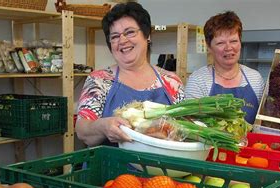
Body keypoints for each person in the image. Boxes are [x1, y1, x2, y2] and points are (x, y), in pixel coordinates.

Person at [75, 2, 184, 147]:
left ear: (147, 35)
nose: (122, 41)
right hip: (112, 167)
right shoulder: (100, 80)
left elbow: (185, 129)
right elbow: (83, 131)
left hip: (161, 168)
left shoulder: (171, 81)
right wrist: (103, 126)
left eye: (130, 32)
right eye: (114, 36)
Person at [184, 11, 264, 124]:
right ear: (209, 47)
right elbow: (190, 125)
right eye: (220, 43)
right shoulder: (198, 80)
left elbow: (261, 124)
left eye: (234, 41)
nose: (229, 48)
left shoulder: (255, 79)